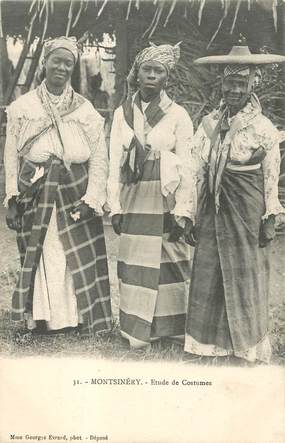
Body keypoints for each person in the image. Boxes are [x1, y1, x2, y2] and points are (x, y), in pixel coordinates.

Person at [4, 37, 112, 335]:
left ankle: (72, 317)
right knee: (40, 249)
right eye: (57, 61)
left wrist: (92, 198)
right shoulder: (22, 107)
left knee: (69, 250)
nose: (62, 68)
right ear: (45, 63)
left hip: (74, 187)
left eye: (68, 63)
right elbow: (11, 154)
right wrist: (12, 197)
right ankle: (40, 315)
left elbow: (100, 158)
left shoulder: (85, 110)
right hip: (36, 188)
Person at [184, 45, 285, 363]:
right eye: (230, 83)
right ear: (221, 84)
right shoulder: (209, 124)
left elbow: (271, 176)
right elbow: (195, 171)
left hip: (246, 210)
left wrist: (270, 216)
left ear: (253, 84)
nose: (235, 90)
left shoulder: (263, 129)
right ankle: (208, 345)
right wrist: (188, 214)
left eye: (242, 83)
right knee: (210, 272)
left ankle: (245, 347)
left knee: (245, 274)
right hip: (213, 210)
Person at [107, 42, 195, 349]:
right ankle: (136, 331)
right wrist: (114, 206)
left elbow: (188, 165)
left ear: (166, 78)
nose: (152, 76)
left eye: (159, 71)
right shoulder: (123, 114)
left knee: (169, 258)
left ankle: (169, 330)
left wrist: (183, 210)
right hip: (133, 195)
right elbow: (112, 162)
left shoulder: (179, 115)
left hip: (165, 196)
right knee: (136, 260)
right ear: (137, 72)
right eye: (147, 69)